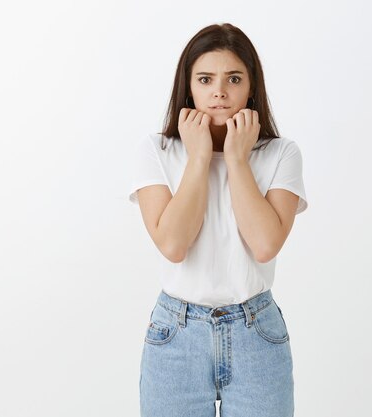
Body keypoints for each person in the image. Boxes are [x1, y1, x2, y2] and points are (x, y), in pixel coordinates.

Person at [128, 22, 308, 417]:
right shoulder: (157, 151)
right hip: (176, 334)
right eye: (205, 79)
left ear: (251, 86)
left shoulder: (281, 154)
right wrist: (198, 159)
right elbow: (173, 245)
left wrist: (237, 158)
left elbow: (264, 245)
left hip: (255, 332)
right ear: (188, 86)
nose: (219, 92)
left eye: (234, 79)